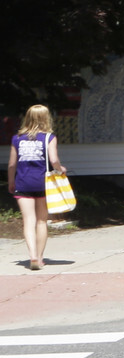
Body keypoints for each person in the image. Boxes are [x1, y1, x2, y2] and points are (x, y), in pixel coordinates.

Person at [9, 104, 64, 271]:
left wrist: (12, 181)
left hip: (23, 182)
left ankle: (32, 256)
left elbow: (12, 164)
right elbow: (54, 160)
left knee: (28, 221)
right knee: (41, 221)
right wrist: (61, 170)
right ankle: (40, 259)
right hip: (43, 183)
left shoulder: (17, 138)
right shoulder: (49, 137)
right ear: (46, 118)